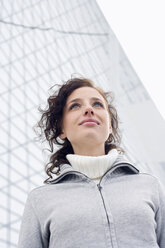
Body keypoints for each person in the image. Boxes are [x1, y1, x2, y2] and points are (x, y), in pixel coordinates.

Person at [18, 77, 165, 248]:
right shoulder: (40, 200)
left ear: (110, 127)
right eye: (75, 106)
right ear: (61, 129)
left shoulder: (149, 185)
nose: (88, 109)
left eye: (97, 104)